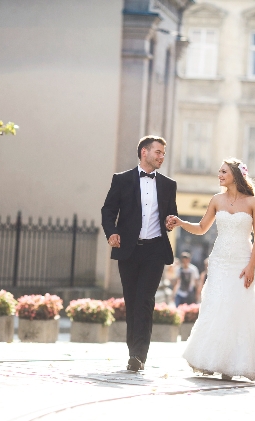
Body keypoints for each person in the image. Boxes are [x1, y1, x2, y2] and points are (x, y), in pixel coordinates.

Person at [167, 158, 255, 381]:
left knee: (238, 306)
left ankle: (233, 363)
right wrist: (180, 222)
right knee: (216, 305)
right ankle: (212, 359)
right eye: (219, 171)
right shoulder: (216, 200)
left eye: (223, 171)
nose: (219, 174)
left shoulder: (254, 203)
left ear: (235, 175)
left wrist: (251, 266)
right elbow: (200, 228)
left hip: (241, 261)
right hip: (218, 261)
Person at [101, 135, 178, 372]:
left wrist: (170, 221)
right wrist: (111, 233)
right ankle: (132, 351)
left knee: (145, 301)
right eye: (158, 152)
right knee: (132, 302)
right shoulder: (122, 180)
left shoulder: (168, 184)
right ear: (144, 152)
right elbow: (108, 210)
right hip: (129, 251)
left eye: (163, 153)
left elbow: (170, 214)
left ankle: (138, 355)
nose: (161, 157)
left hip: (155, 250)